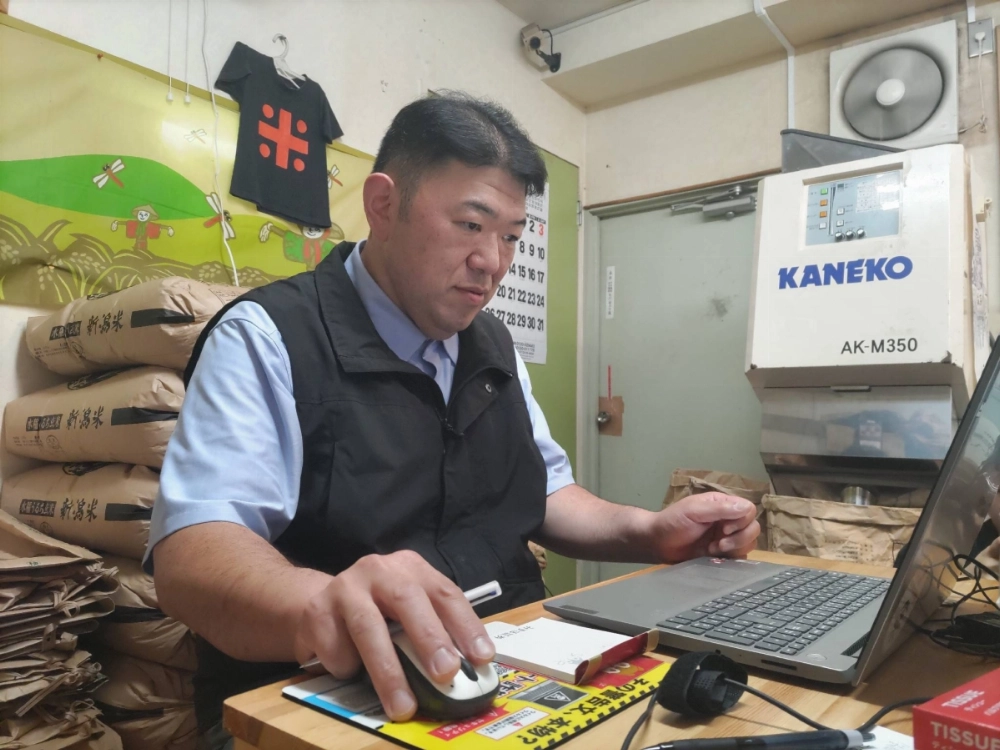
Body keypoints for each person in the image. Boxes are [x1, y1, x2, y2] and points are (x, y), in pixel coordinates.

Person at [146, 92, 760, 750]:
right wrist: (319, 603)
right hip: (319, 690)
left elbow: (547, 491)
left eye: (511, 237)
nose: (493, 262)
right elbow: (193, 552)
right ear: (383, 205)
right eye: (471, 225)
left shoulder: (491, 344)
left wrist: (651, 531)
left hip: (510, 665)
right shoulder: (270, 337)